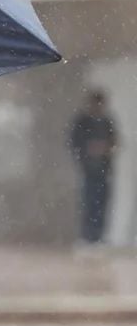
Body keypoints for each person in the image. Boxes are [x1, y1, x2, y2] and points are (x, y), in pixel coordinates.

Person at [68, 90, 118, 245]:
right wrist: (88, 151)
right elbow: (74, 143)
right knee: (89, 202)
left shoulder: (107, 121)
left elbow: (115, 141)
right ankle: (87, 236)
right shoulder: (82, 121)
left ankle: (98, 237)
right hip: (88, 170)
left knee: (102, 202)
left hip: (104, 170)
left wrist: (107, 148)